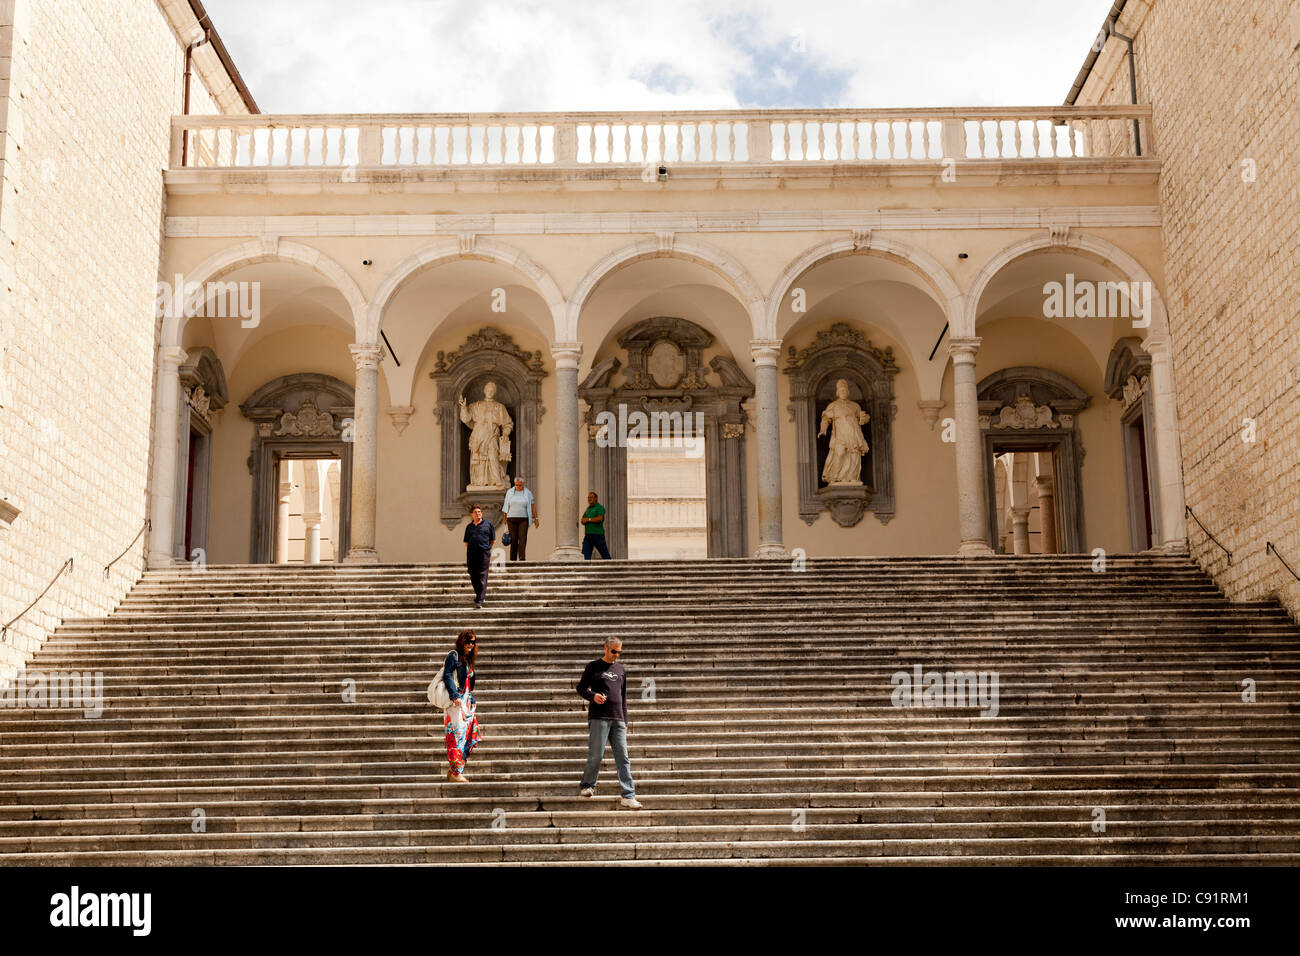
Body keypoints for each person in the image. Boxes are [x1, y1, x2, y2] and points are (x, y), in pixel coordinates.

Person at [575, 637, 641, 808]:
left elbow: (623, 697)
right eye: (614, 651)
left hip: (618, 718)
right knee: (596, 754)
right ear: (605, 648)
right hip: (599, 717)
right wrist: (593, 696)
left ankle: (628, 795)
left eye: (619, 651)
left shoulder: (620, 670)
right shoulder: (593, 666)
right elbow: (581, 688)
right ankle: (587, 786)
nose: (616, 655)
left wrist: (625, 720)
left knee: (623, 758)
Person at [441, 630, 481, 783]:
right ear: (461, 641)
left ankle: (453, 770)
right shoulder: (454, 656)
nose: (471, 645)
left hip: (466, 704)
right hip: (455, 703)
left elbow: (468, 685)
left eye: (473, 642)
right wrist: (454, 695)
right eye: (468, 641)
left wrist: (471, 698)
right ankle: (457, 772)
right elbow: (447, 675)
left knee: (469, 736)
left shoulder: (468, 660)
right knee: (456, 736)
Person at [499, 476, 539, 561]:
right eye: (516, 485)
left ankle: (522, 557)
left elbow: (532, 506)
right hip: (511, 519)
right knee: (513, 539)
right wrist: (505, 518)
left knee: (522, 538)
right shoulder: (509, 492)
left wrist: (536, 518)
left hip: (523, 519)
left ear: (523, 484)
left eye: (520, 485)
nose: (518, 487)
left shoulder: (528, 493)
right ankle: (513, 559)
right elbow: (506, 505)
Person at [463, 505, 494, 608]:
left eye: (479, 512)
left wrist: (487, 548)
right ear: (472, 514)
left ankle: (480, 600)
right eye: (476, 512)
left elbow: (492, 540)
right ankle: (479, 594)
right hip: (471, 554)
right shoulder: (469, 527)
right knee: (473, 574)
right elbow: (466, 542)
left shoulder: (488, 524)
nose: (478, 514)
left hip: (483, 553)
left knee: (482, 575)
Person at [580, 491, 611, 560]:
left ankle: (611, 568)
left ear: (596, 498)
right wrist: (583, 521)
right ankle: (585, 570)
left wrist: (588, 520)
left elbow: (600, 519)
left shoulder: (600, 507)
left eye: (591, 497)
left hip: (598, 535)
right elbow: (583, 519)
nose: (589, 499)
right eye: (588, 498)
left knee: (605, 554)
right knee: (585, 555)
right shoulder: (588, 509)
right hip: (588, 535)